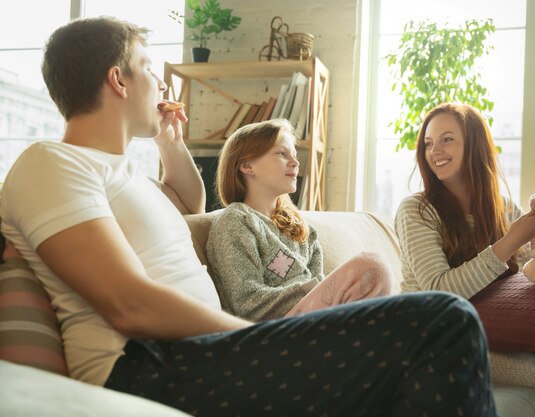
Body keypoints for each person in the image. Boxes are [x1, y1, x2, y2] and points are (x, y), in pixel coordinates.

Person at [0, 18, 499, 416]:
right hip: (149, 365)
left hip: (202, 353)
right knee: (445, 320)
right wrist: (249, 334)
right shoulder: (52, 163)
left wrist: (169, 142)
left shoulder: (128, 175)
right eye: (149, 68)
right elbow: (128, 305)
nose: (159, 82)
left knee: (417, 355)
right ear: (118, 80)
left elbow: (189, 203)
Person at [395, 102, 535, 417]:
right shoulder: (417, 211)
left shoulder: (502, 208)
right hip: (439, 339)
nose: (435, 150)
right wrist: (512, 239)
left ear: (474, 145)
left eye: (447, 139)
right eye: (428, 142)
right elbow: (441, 291)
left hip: (494, 327)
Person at [207, 119, 391, 321]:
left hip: (313, 321)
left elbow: (321, 293)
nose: (295, 162)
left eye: (294, 155)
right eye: (281, 154)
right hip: (271, 330)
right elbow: (247, 304)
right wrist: (314, 289)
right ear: (247, 165)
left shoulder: (304, 231)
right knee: (371, 266)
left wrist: (323, 290)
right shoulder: (236, 221)